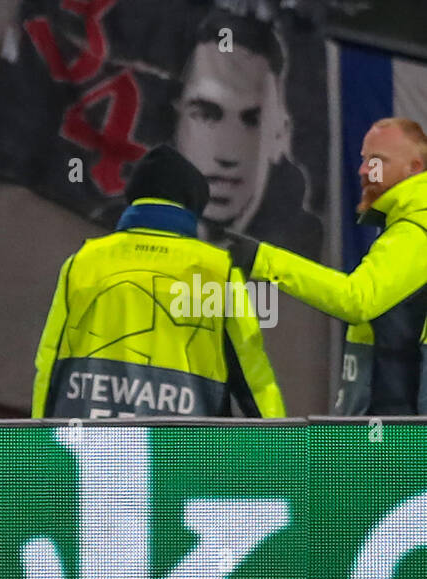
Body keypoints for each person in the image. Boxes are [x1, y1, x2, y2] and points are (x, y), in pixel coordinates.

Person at [32, 145, 285, 419]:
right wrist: (279, 451)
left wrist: (43, 444)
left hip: (93, 453)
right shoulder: (218, 270)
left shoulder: (82, 262)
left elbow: (48, 364)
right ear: (193, 205)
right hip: (183, 453)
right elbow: (254, 380)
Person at [228, 118, 427, 415]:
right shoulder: (407, 227)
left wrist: (264, 260)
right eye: (364, 160)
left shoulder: (415, 231)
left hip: (393, 443)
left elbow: (356, 299)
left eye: (377, 161)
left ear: (414, 167)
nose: (362, 171)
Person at [174, 11, 322, 258]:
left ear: (280, 135)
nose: (227, 154)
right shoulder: (123, 216)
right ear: (175, 118)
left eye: (253, 120)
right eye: (206, 115)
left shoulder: (302, 250)